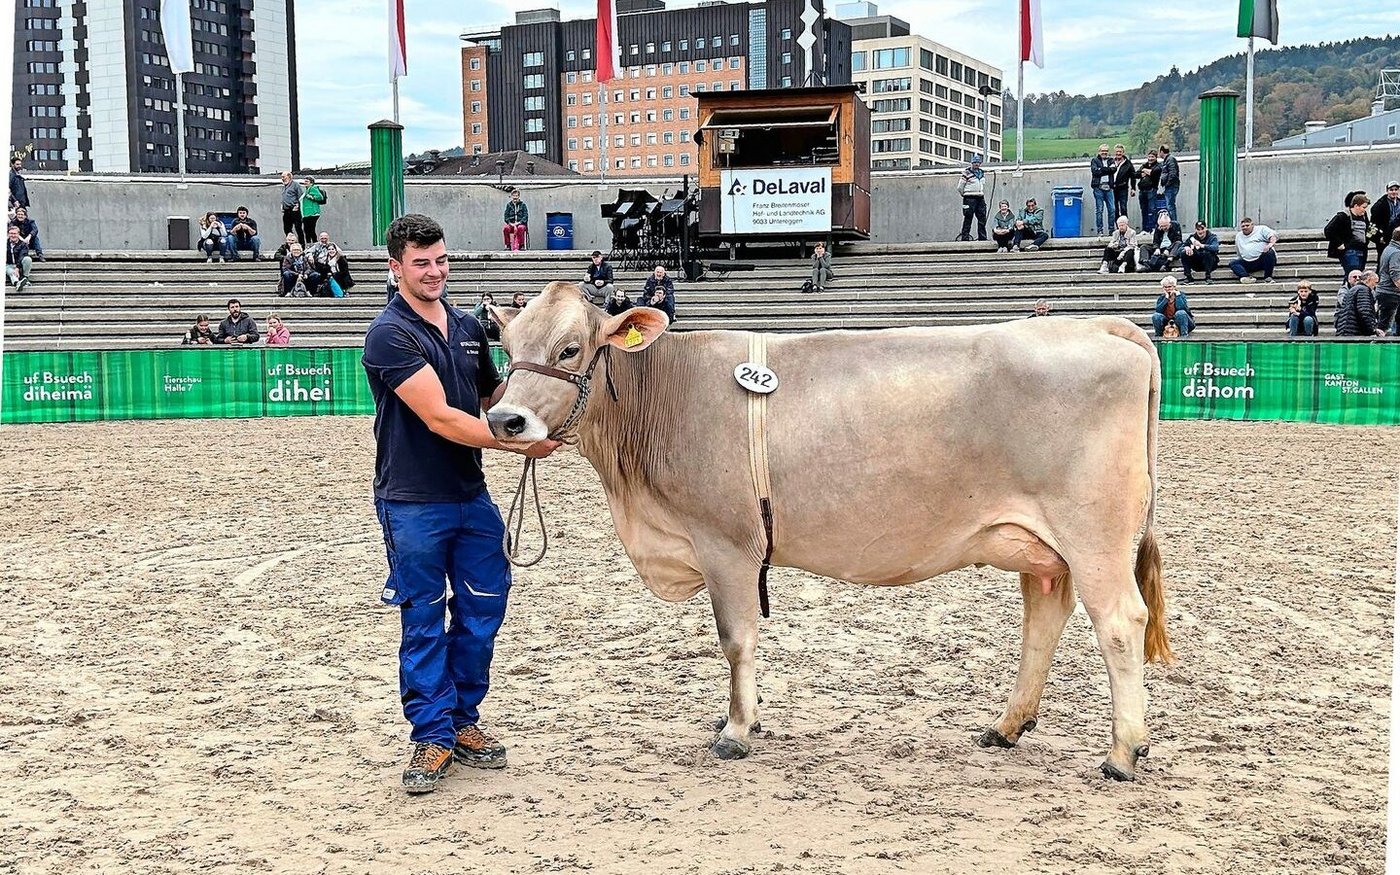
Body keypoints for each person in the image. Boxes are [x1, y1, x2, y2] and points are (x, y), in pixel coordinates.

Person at [360, 213, 559, 794]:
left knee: (483, 610)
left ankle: (463, 720)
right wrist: (522, 438)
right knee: (422, 617)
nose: (434, 272)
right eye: (421, 263)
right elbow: (444, 417)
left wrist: (538, 402)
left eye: (441, 260)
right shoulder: (389, 334)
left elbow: (491, 395)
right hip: (412, 500)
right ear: (395, 267)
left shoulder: (468, 325)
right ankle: (431, 735)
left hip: (471, 496)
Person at [1324, 192, 1371, 279]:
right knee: (1354, 275)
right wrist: (1339, 243)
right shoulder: (1343, 216)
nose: (1364, 210)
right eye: (1363, 207)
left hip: (1362, 249)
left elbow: (1368, 229)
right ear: (1356, 206)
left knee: (1356, 275)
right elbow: (1328, 230)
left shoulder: (1364, 216)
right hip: (1350, 250)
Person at [1228, 217, 1278, 283]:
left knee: (1269, 252)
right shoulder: (1238, 236)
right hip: (1249, 262)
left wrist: (1269, 245)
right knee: (1233, 263)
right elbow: (1238, 251)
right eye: (1243, 226)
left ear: (1252, 225)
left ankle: (1268, 277)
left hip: (1263, 259)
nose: (1245, 227)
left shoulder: (1262, 229)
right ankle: (1246, 277)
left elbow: (1273, 236)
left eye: (1247, 225)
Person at [1334, 270, 1383, 337]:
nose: (1376, 285)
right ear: (1369, 279)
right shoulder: (1363, 290)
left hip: (1346, 330)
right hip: (1354, 333)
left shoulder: (1354, 289)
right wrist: (1373, 329)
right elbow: (1364, 312)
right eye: (1375, 282)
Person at [956, 154, 987, 242]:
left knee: (982, 218)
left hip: (980, 197)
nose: (977, 164)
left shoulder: (982, 173)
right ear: (972, 163)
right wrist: (965, 194)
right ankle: (965, 237)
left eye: (978, 162)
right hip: (969, 197)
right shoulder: (966, 172)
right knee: (968, 218)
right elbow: (960, 187)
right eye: (975, 162)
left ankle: (982, 237)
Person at [1376, 228, 1400, 334]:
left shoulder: (1389, 248)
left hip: (1386, 293)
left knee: (1384, 325)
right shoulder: (1396, 253)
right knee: (1387, 328)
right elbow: (1396, 276)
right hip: (1391, 294)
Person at [1371, 181, 1400, 264]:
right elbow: (1373, 223)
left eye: (1396, 189)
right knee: (1383, 261)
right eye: (1391, 190)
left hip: (1398, 237)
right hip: (1384, 238)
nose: (1394, 192)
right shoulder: (1380, 205)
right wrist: (1378, 237)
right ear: (1387, 191)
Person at [1089, 144, 1115, 235]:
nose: (1104, 153)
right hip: (1098, 188)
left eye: (1106, 151)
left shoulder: (1111, 160)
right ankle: (1100, 230)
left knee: (1112, 209)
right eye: (1102, 151)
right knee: (1099, 210)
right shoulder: (1094, 160)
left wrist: (1101, 169)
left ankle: (1111, 230)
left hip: (1109, 187)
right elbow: (1095, 172)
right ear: (1099, 151)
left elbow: (1113, 169)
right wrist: (1107, 169)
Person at [1136, 150, 1161, 232]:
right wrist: (1145, 171)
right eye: (1149, 156)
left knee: (1152, 210)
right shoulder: (1144, 165)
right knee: (1144, 210)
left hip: (1151, 190)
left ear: (1156, 157)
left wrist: (1144, 171)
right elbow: (1137, 174)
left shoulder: (1158, 166)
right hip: (1142, 190)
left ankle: (1153, 228)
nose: (1150, 158)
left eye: (1152, 157)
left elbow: (1154, 173)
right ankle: (1145, 229)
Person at [1109, 144, 1136, 221]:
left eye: (1120, 152)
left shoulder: (1128, 163)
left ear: (1123, 152)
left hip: (1123, 188)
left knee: (1123, 208)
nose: (1118, 153)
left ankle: (1125, 226)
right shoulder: (1111, 162)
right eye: (1117, 152)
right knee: (1114, 209)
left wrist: (1133, 188)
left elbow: (1133, 176)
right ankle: (1118, 227)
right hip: (1112, 189)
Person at [1157, 144, 1181, 222]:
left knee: (1170, 206)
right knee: (1170, 205)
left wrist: (1167, 183)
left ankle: (1173, 223)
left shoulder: (1170, 159)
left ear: (1161, 151)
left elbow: (1172, 173)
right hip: (1171, 186)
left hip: (1171, 186)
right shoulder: (1168, 160)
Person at [6, 224, 33, 291]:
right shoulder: (5, 243)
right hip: (8, 265)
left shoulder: (23, 244)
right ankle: (17, 283)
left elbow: (22, 255)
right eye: (11, 233)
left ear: (18, 234)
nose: (13, 235)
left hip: (20, 266)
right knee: (11, 272)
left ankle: (25, 277)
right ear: (8, 234)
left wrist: (17, 267)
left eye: (15, 233)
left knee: (27, 259)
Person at [280, 171, 304, 244]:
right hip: (286, 210)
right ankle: (290, 244)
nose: (282, 178)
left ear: (289, 177)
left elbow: (301, 196)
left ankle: (302, 245)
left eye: (283, 177)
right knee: (287, 229)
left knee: (298, 228)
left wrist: (297, 205)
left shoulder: (295, 185)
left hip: (294, 210)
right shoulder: (284, 186)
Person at [300, 177, 327, 241]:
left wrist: (311, 197)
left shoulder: (313, 188)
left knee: (309, 230)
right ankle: (311, 243)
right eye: (305, 181)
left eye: (307, 181)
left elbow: (320, 197)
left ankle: (313, 243)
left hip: (312, 213)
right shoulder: (307, 190)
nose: (305, 183)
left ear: (311, 183)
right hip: (307, 213)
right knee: (308, 230)